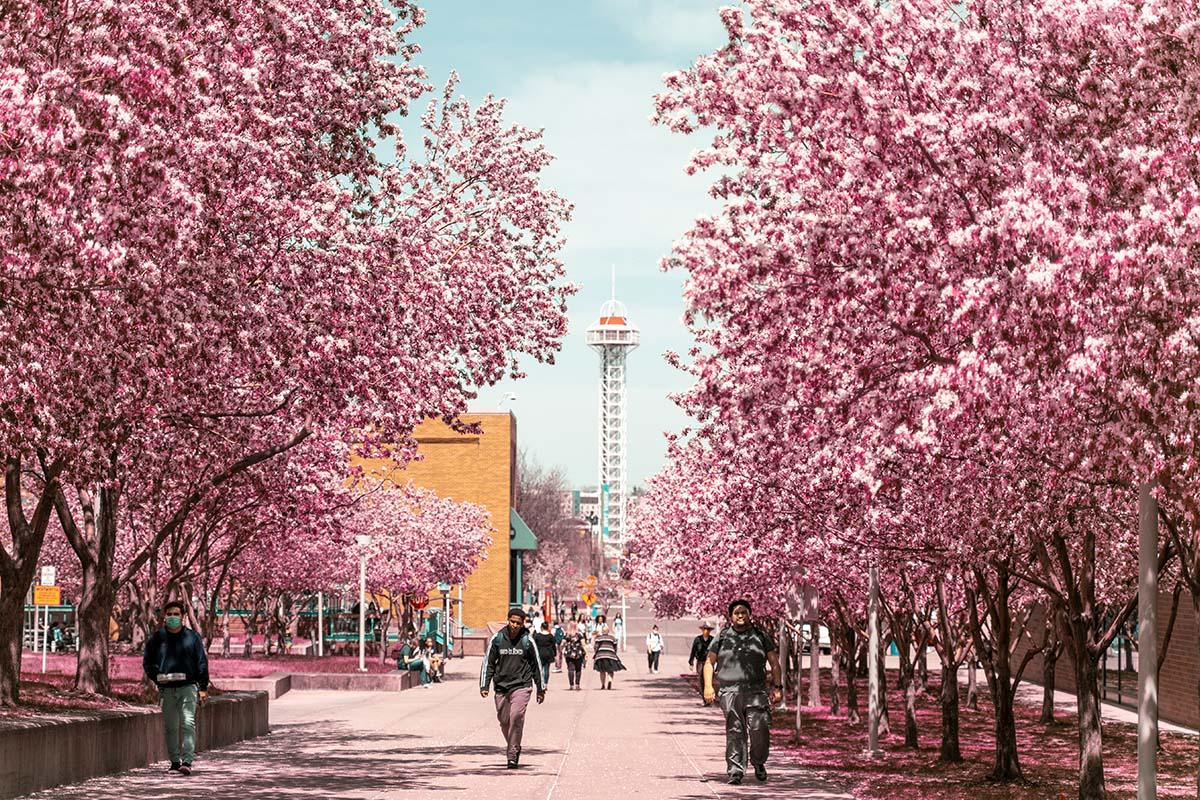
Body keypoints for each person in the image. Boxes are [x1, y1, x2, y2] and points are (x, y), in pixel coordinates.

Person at [703, 599, 783, 785]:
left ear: (749, 614)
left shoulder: (761, 636)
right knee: (735, 731)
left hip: (756, 691)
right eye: (736, 613)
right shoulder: (722, 637)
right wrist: (708, 686)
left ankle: (758, 762)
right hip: (729, 691)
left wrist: (777, 687)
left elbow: (774, 663)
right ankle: (735, 770)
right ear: (730, 616)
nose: (740, 615)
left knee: (759, 728)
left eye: (744, 612)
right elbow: (709, 663)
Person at [142, 601, 209, 776]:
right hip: (167, 690)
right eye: (169, 614)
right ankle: (174, 762)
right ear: (164, 616)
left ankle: (187, 761)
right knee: (171, 727)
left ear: (183, 616)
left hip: (188, 687)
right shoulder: (157, 638)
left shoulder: (192, 637)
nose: (172, 617)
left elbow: (202, 662)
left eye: (176, 614)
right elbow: (148, 662)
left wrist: (203, 687)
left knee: (188, 724)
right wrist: (156, 676)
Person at [480, 607, 546, 768]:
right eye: (512, 621)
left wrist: (540, 688)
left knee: (516, 716)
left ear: (523, 623)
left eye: (518, 623)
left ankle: (512, 753)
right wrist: (485, 684)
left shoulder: (527, 641)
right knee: (504, 721)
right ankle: (514, 745)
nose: (515, 625)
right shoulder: (497, 639)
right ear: (508, 620)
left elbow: (537, 665)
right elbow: (488, 662)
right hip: (501, 686)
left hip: (522, 685)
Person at [592, 623, 625, 689]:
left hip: (601, 656)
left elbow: (596, 647)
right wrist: (614, 653)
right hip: (611, 655)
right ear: (608, 631)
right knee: (610, 670)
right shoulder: (612, 638)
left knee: (602, 671)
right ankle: (610, 681)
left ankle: (603, 685)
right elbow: (615, 647)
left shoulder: (599, 638)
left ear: (602, 631)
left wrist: (596, 654)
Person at [688, 622, 716, 700]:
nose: (706, 631)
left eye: (708, 629)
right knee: (701, 679)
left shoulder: (712, 639)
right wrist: (691, 662)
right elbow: (693, 651)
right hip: (700, 662)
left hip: (709, 662)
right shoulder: (697, 639)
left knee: (709, 679)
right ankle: (704, 697)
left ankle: (710, 696)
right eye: (704, 629)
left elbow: (715, 651)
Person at [561, 621, 587, 690]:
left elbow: (562, 644)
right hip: (578, 653)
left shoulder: (567, 635)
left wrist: (561, 649)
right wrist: (586, 653)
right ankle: (577, 684)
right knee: (578, 669)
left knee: (570, 669)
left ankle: (571, 685)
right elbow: (583, 644)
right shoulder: (579, 634)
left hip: (569, 653)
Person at [532, 622, 557, 687]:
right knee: (546, 669)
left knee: (539, 669)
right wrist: (555, 653)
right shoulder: (550, 636)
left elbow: (533, 645)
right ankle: (545, 683)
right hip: (548, 654)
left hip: (539, 653)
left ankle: (540, 682)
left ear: (542, 627)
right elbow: (554, 646)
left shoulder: (537, 635)